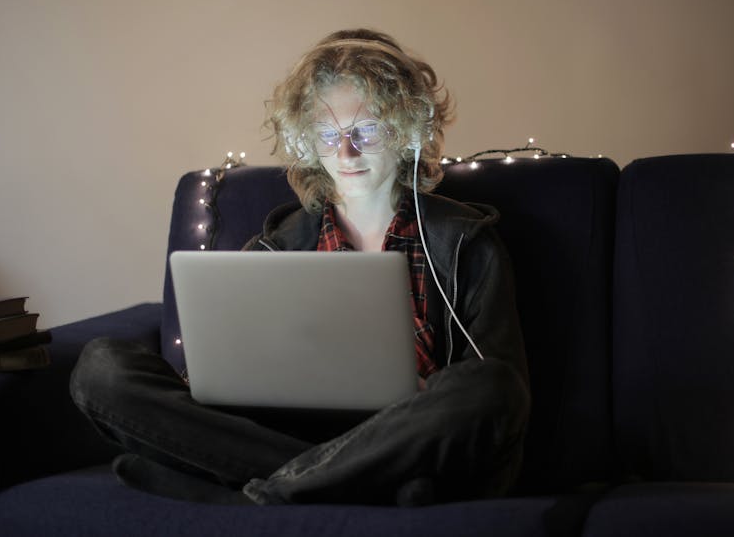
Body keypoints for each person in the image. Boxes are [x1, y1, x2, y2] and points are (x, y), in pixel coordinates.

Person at [70, 28, 530, 506]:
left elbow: (502, 396)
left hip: (405, 437)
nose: (345, 153)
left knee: (491, 386)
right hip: (287, 429)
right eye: (328, 135)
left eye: (365, 131)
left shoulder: (466, 243)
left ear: (407, 131)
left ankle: (255, 487)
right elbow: (214, 381)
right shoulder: (275, 248)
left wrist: (424, 395)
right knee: (100, 368)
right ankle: (345, 484)